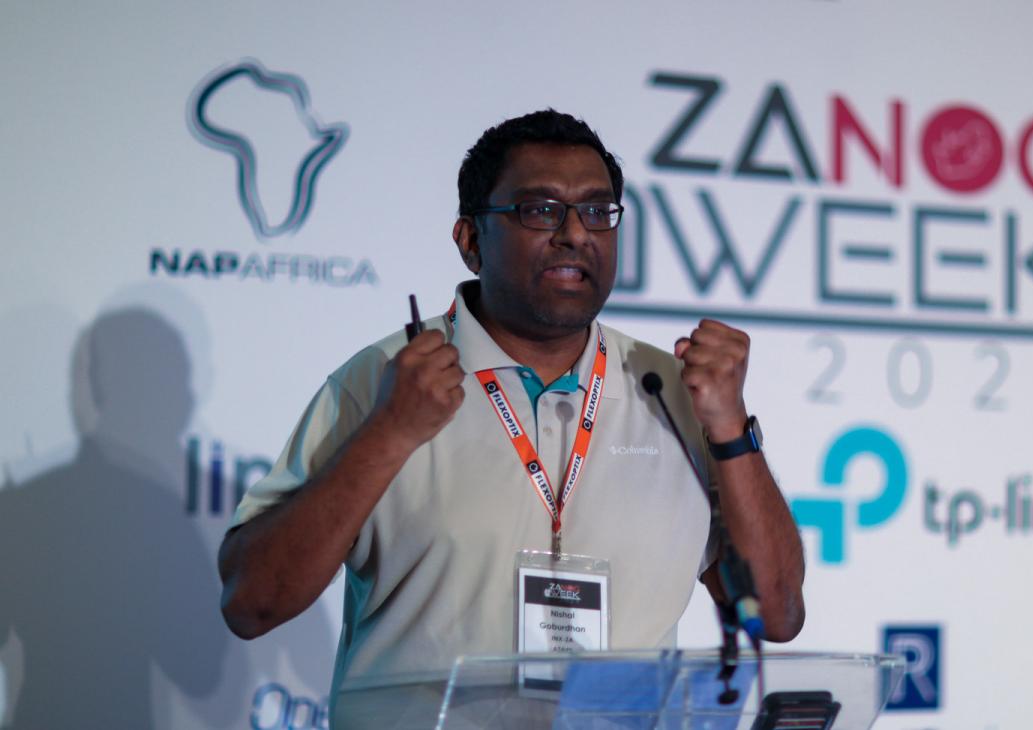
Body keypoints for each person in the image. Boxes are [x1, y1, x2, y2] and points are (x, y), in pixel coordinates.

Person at [218, 109, 804, 720]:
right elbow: (253, 602)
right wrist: (391, 432)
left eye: (597, 211)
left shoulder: (670, 391)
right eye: (540, 210)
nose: (574, 233)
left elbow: (779, 612)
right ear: (471, 240)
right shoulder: (383, 381)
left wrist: (731, 428)